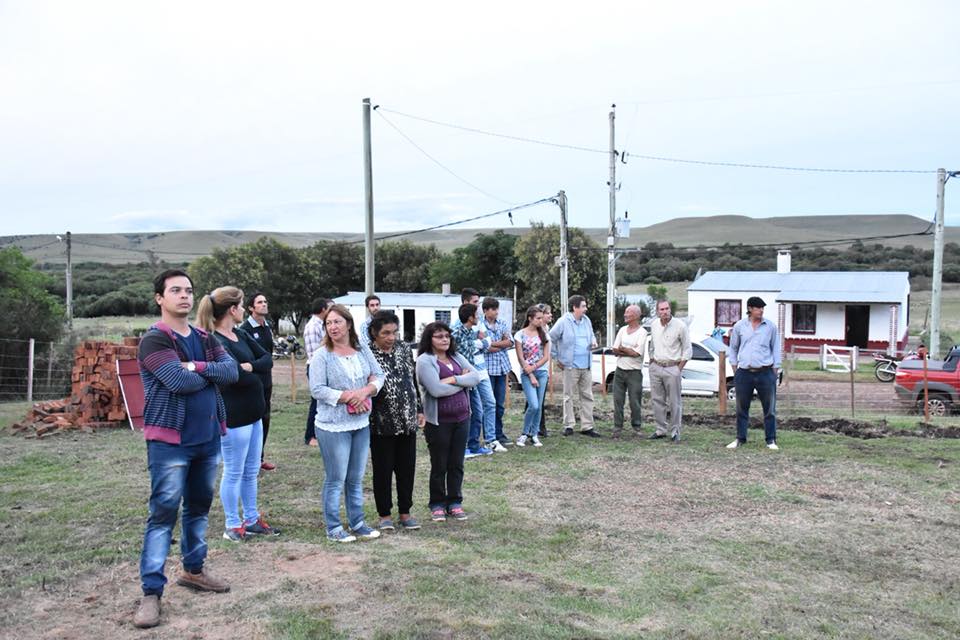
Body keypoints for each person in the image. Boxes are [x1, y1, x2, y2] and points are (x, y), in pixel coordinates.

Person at [134, 269, 238, 629]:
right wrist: (206, 373)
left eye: (188, 290)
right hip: (169, 444)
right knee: (163, 515)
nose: (184, 296)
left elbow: (232, 373)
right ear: (159, 298)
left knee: (197, 509)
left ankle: (193, 570)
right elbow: (176, 382)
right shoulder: (154, 341)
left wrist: (196, 365)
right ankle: (151, 592)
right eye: (175, 290)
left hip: (207, 439)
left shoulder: (204, 337)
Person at [197, 286, 280, 542]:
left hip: (255, 415)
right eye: (242, 305)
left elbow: (267, 358)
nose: (244, 310)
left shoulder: (240, 335)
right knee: (234, 471)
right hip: (234, 418)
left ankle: (252, 519)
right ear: (232, 310)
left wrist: (250, 367)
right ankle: (233, 525)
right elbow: (233, 376)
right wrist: (251, 370)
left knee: (251, 470)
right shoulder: (214, 341)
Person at [308, 304, 385, 542]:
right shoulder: (322, 355)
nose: (332, 327)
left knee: (355, 477)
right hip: (333, 426)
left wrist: (365, 391)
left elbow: (379, 375)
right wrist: (350, 397)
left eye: (337, 322)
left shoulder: (361, 349)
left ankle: (358, 522)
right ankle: (333, 527)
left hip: (361, 423)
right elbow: (317, 389)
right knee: (336, 477)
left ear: (348, 324)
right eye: (328, 323)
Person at [416, 322, 480, 523]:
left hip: (462, 418)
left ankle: (455, 502)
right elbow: (435, 390)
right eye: (439, 336)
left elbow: (476, 376)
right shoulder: (425, 361)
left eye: (447, 336)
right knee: (439, 464)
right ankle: (437, 504)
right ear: (430, 339)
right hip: (439, 421)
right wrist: (462, 382)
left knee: (456, 463)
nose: (444, 339)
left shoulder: (457, 357)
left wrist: (452, 380)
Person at [367, 310, 425, 532]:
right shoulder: (367, 353)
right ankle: (384, 515)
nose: (391, 337)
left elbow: (411, 379)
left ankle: (405, 512)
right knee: (383, 470)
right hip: (381, 423)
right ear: (374, 333)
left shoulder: (402, 349)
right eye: (386, 333)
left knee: (406, 469)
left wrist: (419, 409)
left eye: (394, 332)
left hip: (408, 419)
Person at [726, 296, 782, 450]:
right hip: (744, 372)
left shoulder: (770, 327)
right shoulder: (739, 327)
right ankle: (740, 438)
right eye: (758, 308)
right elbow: (733, 348)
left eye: (763, 308)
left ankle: (771, 440)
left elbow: (775, 348)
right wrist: (734, 368)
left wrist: (775, 370)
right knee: (741, 408)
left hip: (765, 372)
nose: (761, 311)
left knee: (769, 408)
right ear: (750, 309)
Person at [451, 303, 503, 455]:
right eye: (477, 315)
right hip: (464, 379)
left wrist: (481, 343)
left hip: (473, 377)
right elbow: (457, 352)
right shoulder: (457, 333)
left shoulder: (468, 333)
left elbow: (487, 342)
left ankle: (473, 446)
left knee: (478, 411)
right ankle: (466, 446)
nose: (479, 317)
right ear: (470, 317)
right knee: (469, 413)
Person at [549, 295, 600, 438]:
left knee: (587, 395)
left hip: (586, 366)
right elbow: (551, 338)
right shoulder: (563, 321)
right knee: (568, 396)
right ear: (575, 308)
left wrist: (594, 341)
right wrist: (556, 357)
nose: (586, 309)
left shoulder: (587, 320)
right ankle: (569, 425)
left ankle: (587, 426)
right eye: (583, 306)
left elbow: (591, 335)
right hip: (570, 366)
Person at [648, 300, 692, 443]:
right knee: (657, 400)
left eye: (667, 308)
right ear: (657, 311)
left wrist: (678, 369)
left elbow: (687, 349)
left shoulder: (680, 326)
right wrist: (651, 360)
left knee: (675, 402)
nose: (665, 311)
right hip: (656, 367)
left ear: (670, 309)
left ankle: (675, 431)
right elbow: (652, 344)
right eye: (661, 309)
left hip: (672, 367)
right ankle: (660, 430)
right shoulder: (654, 325)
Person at [244, 292, 275, 470]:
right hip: (254, 381)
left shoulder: (267, 326)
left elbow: (268, 354)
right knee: (254, 420)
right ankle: (250, 461)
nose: (264, 304)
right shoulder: (245, 329)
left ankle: (259, 457)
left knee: (265, 418)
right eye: (260, 302)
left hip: (267, 380)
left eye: (265, 301)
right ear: (251, 307)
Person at [514, 305, 551, 447]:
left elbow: (546, 356)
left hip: (541, 372)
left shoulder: (544, 335)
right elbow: (520, 357)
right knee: (533, 405)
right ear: (530, 318)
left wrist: (535, 368)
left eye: (542, 318)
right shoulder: (520, 335)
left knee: (539, 405)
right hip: (526, 373)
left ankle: (534, 434)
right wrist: (530, 374)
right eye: (538, 318)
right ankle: (524, 433)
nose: (541, 321)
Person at [481, 297, 514, 447]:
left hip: (502, 368)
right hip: (488, 369)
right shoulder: (480, 325)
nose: (496, 312)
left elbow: (510, 342)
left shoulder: (502, 323)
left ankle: (499, 433)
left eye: (497, 309)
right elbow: (484, 347)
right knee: (489, 403)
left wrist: (491, 343)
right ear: (485, 311)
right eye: (493, 309)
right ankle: (490, 434)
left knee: (500, 404)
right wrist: (500, 344)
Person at [611, 304, 648, 438]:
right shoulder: (622, 330)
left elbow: (637, 353)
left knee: (635, 401)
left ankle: (636, 426)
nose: (625, 315)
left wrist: (623, 349)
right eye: (625, 312)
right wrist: (628, 350)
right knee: (618, 400)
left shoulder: (642, 332)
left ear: (636, 316)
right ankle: (617, 427)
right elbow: (615, 350)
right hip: (620, 370)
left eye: (628, 313)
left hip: (634, 372)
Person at [303, 297, 330, 446]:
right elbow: (315, 353)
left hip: (320, 366)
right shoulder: (313, 326)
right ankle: (310, 436)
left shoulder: (321, 325)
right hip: (315, 367)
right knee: (316, 401)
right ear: (323, 310)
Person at [537, 303, 554, 437]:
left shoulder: (547, 329)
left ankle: (539, 426)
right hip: (536, 368)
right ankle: (539, 427)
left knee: (539, 398)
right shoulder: (535, 331)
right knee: (537, 400)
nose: (550, 315)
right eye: (548, 313)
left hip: (545, 368)